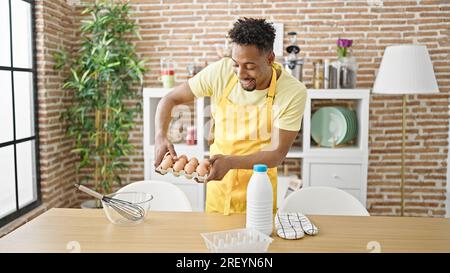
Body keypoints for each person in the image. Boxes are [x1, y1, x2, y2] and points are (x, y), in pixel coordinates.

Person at [154, 18, 307, 215]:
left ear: (270, 59)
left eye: (249, 66)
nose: (240, 74)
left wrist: (231, 163)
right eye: (236, 64)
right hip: (219, 186)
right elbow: (170, 98)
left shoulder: (292, 92)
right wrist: (160, 134)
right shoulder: (221, 72)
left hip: (258, 190)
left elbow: (276, 154)